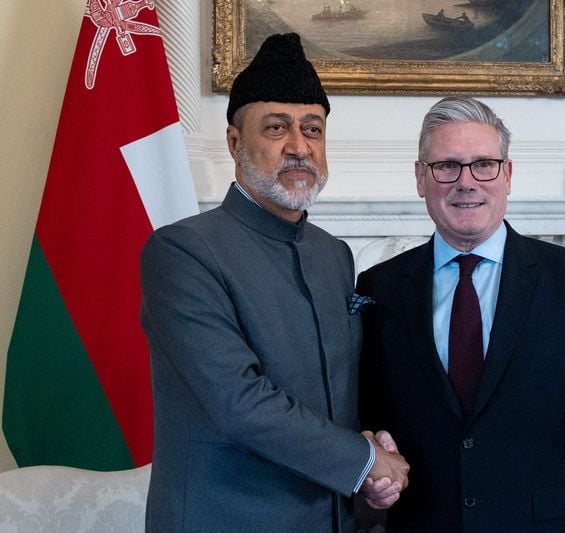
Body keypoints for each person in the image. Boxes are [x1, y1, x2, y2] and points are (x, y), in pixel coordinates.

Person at [140, 32, 408, 532]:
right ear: (235, 142)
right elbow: (236, 401)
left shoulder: (332, 254)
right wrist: (364, 460)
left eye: (313, 129)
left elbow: (339, 393)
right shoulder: (182, 251)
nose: (299, 147)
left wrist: (374, 449)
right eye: (277, 127)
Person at [357, 96, 565, 531]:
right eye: (447, 166)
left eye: (484, 164)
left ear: (507, 174)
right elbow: (366, 418)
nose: (466, 182)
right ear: (420, 178)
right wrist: (372, 460)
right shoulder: (379, 288)